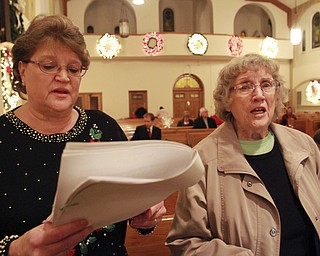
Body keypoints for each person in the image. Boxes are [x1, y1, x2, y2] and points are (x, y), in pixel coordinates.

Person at [0, 14, 166, 256]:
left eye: (73, 68)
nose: (64, 77)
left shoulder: (105, 128)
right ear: (22, 70)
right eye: (48, 66)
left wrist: (147, 217)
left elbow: (134, 207)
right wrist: (15, 250)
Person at [166, 53, 320, 255]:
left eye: (266, 84)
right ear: (227, 100)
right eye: (245, 86)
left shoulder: (305, 146)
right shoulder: (202, 161)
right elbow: (186, 241)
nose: (259, 95)